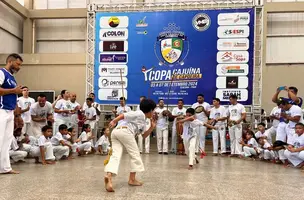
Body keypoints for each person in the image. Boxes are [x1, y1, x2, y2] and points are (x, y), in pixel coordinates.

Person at [104, 99, 156, 192]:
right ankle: (132, 179)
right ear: (151, 110)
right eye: (154, 110)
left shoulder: (144, 122)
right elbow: (124, 115)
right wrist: (114, 121)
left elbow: (144, 135)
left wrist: (152, 127)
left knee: (115, 155)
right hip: (125, 131)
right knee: (135, 154)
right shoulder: (140, 113)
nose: (154, 113)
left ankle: (109, 176)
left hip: (116, 133)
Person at [0, 53, 23, 174]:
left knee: (7, 141)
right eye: (18, 64)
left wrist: (17, 114)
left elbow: (13, 95)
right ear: (10, 62)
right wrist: (14, 90)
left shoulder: (12, 78)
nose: (19, 67)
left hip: (9, 111)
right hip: (1, 110)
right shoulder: (1, 72)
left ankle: (4, 167)